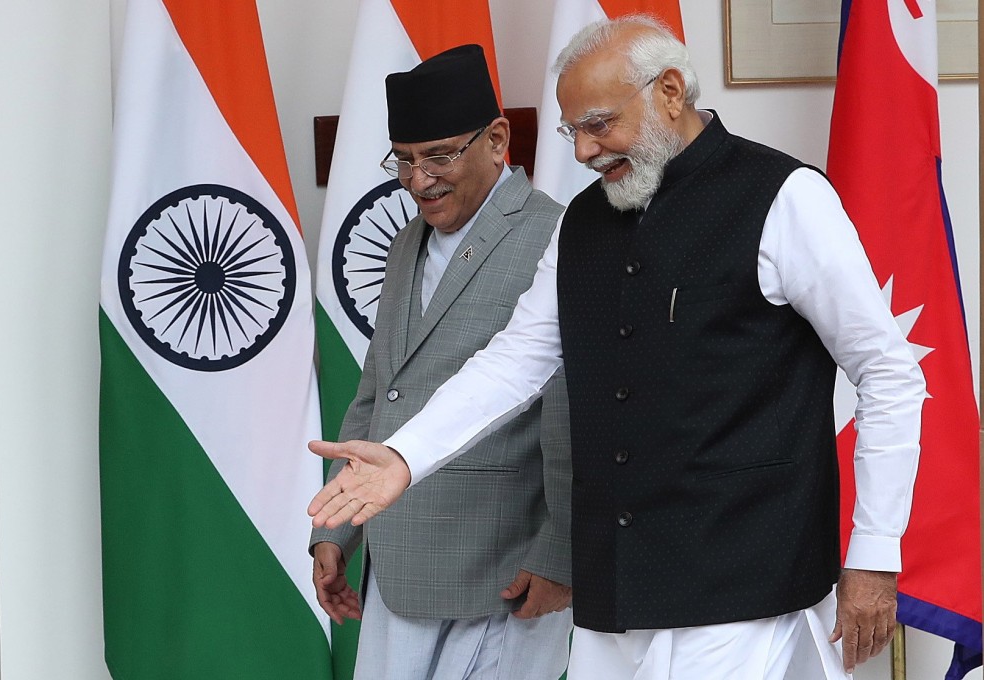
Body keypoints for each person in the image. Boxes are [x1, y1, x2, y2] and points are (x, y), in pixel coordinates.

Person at [308, 16, 927, 680]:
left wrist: (874, 555)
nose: (582, 152)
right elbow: (513, 362)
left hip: (741, 588)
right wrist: (404, 456)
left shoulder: (784, 197)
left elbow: (888, 373)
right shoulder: (581, 223)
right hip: (613, 597)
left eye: (600, 124)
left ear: (668, 92)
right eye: (573, 131)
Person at [309, 44, 574, 680]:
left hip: (502, 572)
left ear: (498, 139)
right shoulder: (407, 242)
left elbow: (568, 413)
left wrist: (560, 553)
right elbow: (379, 392)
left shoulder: (556, 234)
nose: (418, 181)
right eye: (403, 161)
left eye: (440, 156)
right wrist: (336, 530)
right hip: (396, 563)